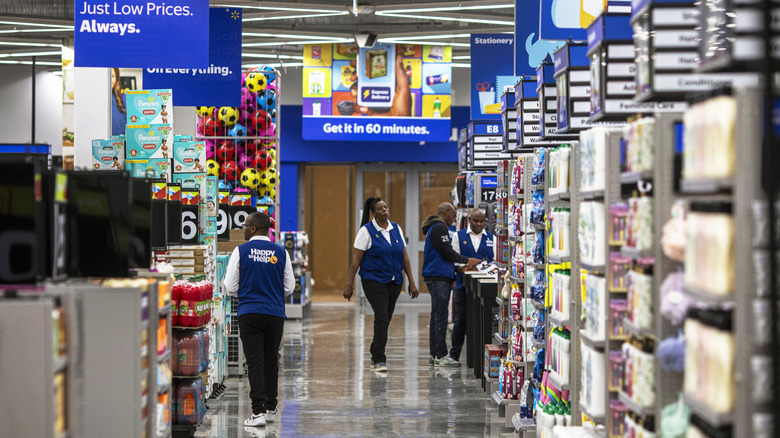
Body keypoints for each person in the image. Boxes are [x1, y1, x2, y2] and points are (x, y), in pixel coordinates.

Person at [224, 212, 295, 428]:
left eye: (245, 226)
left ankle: (258, 412)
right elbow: (289, 287)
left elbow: (229, 286)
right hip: (274, 313)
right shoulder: (281, 252)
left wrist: (248, 293)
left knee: (254, 361)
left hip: (249, 312)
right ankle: (272, 408)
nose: (243, 229)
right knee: (271, 359)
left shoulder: (241, 251)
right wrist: (271, 293)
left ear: (253, 228)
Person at [344, 197, 419, 372]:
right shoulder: (366, 231)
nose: (385, 210)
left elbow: (404, 257)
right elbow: (356, 260)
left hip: (394, 281)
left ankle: (375, 349)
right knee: (382, 317)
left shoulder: (396, 228)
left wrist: (412, 282)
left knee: (385, 319)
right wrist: (349, 285)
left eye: (386, 206)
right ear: (373, 212)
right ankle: (378, 359)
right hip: (373, 280)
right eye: (380, 208)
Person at [421, 202, 480, 367]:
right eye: (453, 215)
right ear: (445, 212)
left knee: (436, 316)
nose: (454, 220)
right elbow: (447, 251)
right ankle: (441, 355)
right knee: (440, 317)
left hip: (438, 275)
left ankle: (434, 354)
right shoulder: (439, 227)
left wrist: (458, 270)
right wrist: (466, 260)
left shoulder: (435, 227)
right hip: (438, 276)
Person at [449, 208, 494, 364]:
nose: (479, 224)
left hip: (485, 289)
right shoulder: (458, 236)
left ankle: (480, 358)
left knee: (482, 322)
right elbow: (455, 260)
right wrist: (463, 266)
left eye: (482, 221)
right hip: (463, 286)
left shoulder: (491, 238)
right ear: (469, 220)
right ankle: (454, 355)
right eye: (476, 221)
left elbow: (494, 261)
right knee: (460, 320)